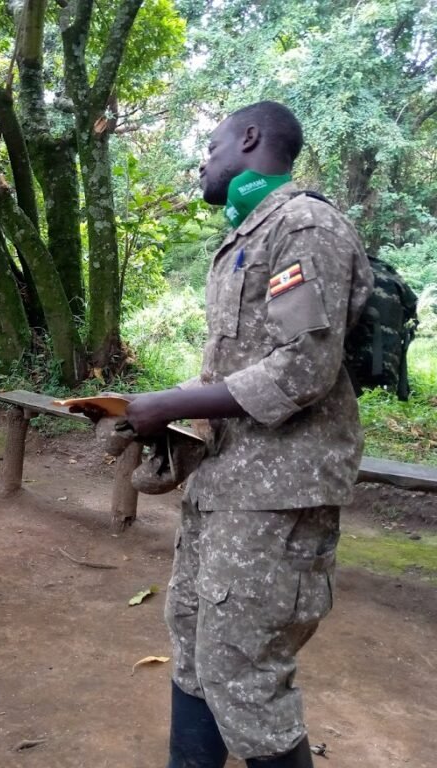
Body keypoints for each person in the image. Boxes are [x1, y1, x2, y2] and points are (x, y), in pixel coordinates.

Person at [123, 102, 373, 767]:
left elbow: (305, 367)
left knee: (245, 670)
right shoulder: (246, 237)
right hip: (226, 484)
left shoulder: (305, 226)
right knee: (196, 644)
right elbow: (240, 369)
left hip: (280, 495)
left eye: (211, 144)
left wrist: (174, 400)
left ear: (251, 138)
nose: (202, 160)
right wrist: (170, 425)